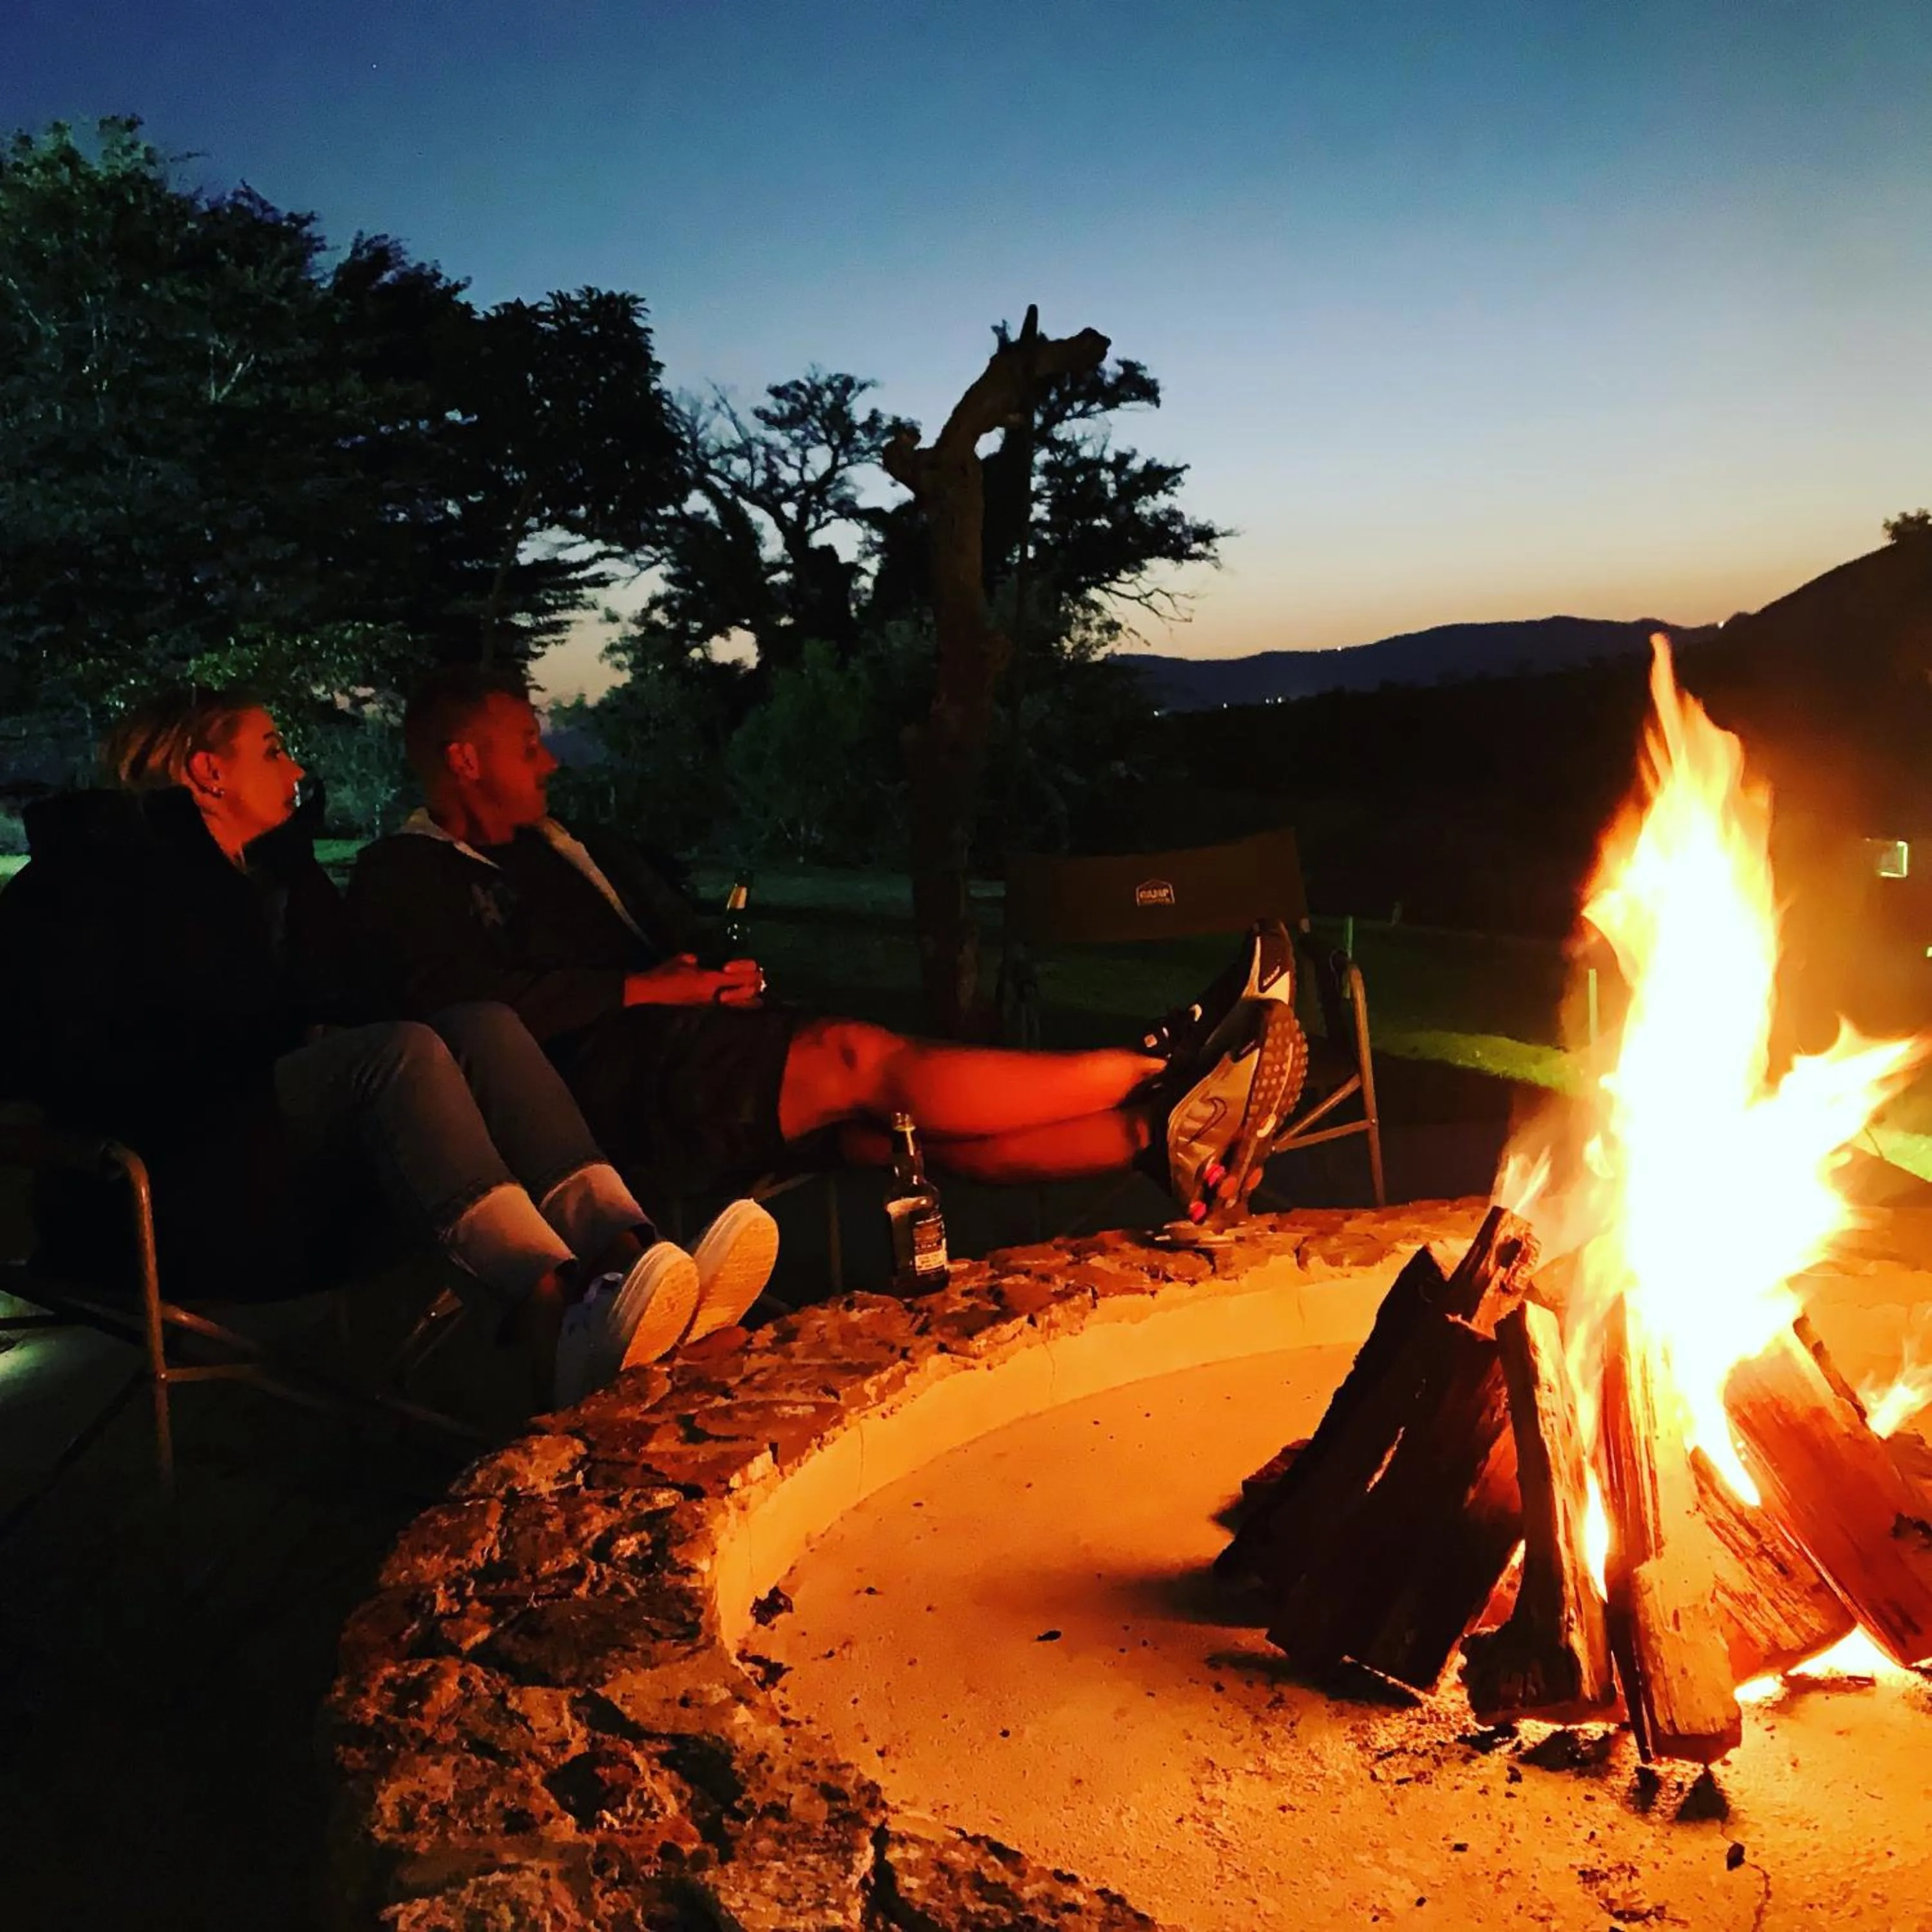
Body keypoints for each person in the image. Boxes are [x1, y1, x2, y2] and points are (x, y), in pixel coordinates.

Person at [0, 686, 778, 1410]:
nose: (297, 768)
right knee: (397, 1053)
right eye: (272, 750)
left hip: (278, 1144)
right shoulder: (89, 881)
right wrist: (279, 1046)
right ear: (209, 774)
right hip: (173, 1175)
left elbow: (342, 999)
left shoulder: (277, 877)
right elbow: (68, 1055)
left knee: (481, 1023)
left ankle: (629, 1259)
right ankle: (550, 1312)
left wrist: (313, 1010)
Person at [346, 666, 1305, 1220]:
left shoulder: (575, 845)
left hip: (695, 1051)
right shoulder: (409, 872)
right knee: (859, 1059)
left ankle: (1160, 1140)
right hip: (604, 1091)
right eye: (527, 743)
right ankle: (1163, 1059)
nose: (548, 759)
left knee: (899, 1136)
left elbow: (675, 921)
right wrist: (649, 994)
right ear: (463, 761)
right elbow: (463, 1008)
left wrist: (715, 968)